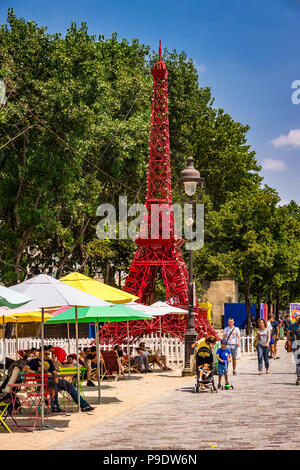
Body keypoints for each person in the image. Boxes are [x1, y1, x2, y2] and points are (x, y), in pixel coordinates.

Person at [26, 348, 94, 413]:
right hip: (43, 383)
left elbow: (54, 372)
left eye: (48, 354)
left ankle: (84, 405)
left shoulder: (49, 361)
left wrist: (55, 375)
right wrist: (36, 372)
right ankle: (55, 407)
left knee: (69, 385)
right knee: (53, 384)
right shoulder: (33, 361)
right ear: (40, 353)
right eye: (46, 354)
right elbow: (26, 369)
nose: (47, 356)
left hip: (53, 379)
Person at [286, 313, 300, 385]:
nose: (298, 319)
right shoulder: (293, 325)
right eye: (297, 318)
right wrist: (288, 340)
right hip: (295, 344)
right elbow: (288, 331)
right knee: (298, 362)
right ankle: (298, 377)